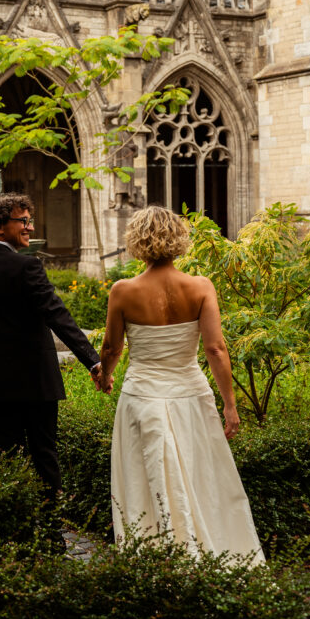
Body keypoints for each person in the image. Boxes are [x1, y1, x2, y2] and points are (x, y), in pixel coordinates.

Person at [100, 205, 264, 564]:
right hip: (191, 393)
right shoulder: (200, 286)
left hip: (142, 395)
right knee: (201, 473)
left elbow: (112, 347)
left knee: (144, 475)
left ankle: (153, 556)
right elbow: (216, 349)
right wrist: (230, 404)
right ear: (178, 239)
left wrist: (106, 374)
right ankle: (214, 550)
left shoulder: (123, 291)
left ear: (137, 241)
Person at [0, 193, 102, 502]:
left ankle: (18, 519)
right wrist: (93, 361)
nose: (30, 228)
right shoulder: (27, 266)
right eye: (24, 221)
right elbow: (57, 315)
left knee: (8, 457)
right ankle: (51, 522)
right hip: (35, 383)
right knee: (45, 453)